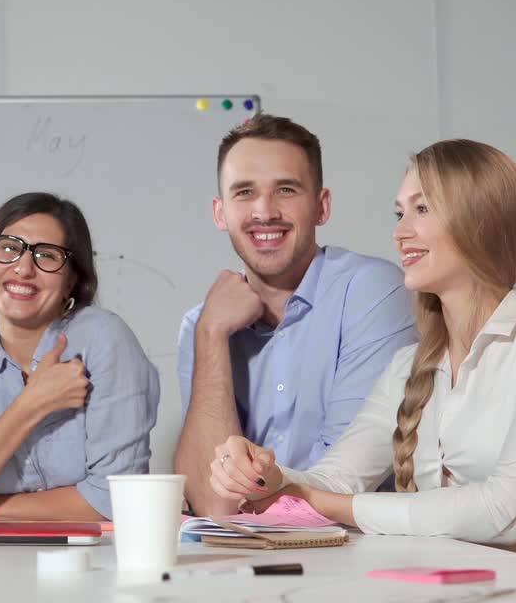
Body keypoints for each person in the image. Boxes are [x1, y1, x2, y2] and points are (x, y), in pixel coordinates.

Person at [209, 139, 516, 569]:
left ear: (481, 220)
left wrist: (324, 503)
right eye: (400, 212)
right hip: (461, 591)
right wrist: (266, 476)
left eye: (422, 209)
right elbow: (335, 478)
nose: (400, 231)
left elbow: (505, 513)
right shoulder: (408, 366)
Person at [174, 114, 417, 516]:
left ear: (321, 207)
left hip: (352, 551)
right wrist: (211, 335)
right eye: (244, 192)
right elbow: (212, 502)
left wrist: (243, 493)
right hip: (245, 554)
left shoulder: (372, 290)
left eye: (285, 189)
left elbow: (343, 481)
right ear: (220, 213)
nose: (265, 211)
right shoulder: (201, 325)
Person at [0, 193, 159, 520]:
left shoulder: (103, 338)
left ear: (71, 280)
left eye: (47, 255)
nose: (24, 268)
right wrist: (32, 403)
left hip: (89, 560)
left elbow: (116, 499)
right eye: (9, 247)